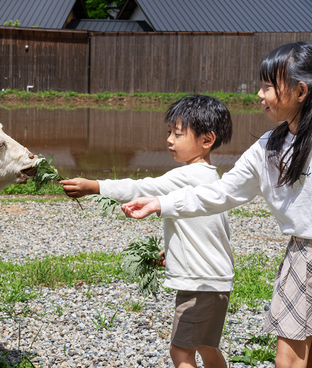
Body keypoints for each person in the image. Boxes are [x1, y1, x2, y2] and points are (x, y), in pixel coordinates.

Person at [122, 41, 312, 368]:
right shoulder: (268, 148)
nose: (260, 94)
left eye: (268, 86)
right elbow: (222, 192)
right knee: (287, 361)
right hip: (299, 256)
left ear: (300, 91)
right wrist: (160, 203)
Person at [60, 94, 235, 368]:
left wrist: (94, 186)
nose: (169, 140)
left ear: (206, 140)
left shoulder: (187, 176)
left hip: (199, 284)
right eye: (169, 133)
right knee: (206, 345)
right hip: (215, 282)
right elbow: (211, 230)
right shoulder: (211, 178)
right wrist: (174, 250)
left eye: (178, 134)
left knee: (180, 352)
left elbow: (141, 187)